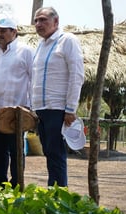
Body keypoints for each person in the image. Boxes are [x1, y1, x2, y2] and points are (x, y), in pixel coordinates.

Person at [32, 7, 84, 186]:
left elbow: (76, 74)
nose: (39, 24)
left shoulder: (67, 40)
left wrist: (70, 109)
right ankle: (52, 192)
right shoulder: (40, 46)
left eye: (43, 20)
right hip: (41, 110)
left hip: (58, 109)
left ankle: (59, 196)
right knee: (48, 152)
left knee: (56, 153)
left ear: (56, 21)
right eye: (36, 20)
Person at [0, 18, 34, 187]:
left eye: (3, 30)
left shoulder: (26, 51)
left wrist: (30, 108)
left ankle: (17, 185)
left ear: (14, 32)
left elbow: (33, 79)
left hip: (17, 112)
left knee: (16, 151)